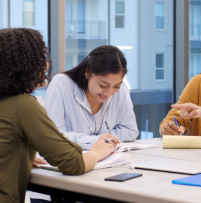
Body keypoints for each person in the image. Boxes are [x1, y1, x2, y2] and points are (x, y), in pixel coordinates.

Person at [0, 28, 117, 203]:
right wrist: (96, 152)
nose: (47, 64)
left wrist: (16, 156)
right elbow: (73, 164)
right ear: (24, 64)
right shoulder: (23, 106)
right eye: (41, 57)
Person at [44, 45, 139, 151]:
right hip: (71, 161)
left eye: (116, 86)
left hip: (110, 160)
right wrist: (95, 140)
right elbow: (53, 135)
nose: (109, 93)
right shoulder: (61, 84)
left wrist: (104, 139)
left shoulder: (121, 91)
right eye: (103, 85)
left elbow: (131, 130)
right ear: (87, 71)